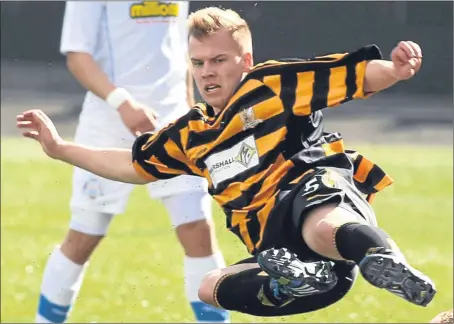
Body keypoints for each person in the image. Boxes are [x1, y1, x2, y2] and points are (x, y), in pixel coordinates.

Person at [18, 6, 436, 319]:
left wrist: (395, 71)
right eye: (198, 63)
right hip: (284, 259)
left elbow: (354, 76)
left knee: (319, 224)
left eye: (219, 61)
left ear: (246, 61)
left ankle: (383, 260)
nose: (207, 73)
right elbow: (132, 165)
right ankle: (293, 281)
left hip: (317, 194)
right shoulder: (191, 134)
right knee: (209, 285)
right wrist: (60, 148)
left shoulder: (270, 85)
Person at [33, 2, 229, 323]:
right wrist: (122, 103)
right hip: (107, 126)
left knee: (197, 229)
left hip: (172, 124)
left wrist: (195, 114)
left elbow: (182, 51)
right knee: (83, 237)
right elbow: (77, 57)